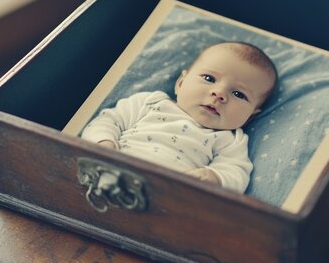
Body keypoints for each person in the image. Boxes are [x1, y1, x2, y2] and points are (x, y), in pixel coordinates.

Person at [81, 41, 277, 193]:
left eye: (238, 94)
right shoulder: (150, 103)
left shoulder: (230, 140)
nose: (219, 94)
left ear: (251, 116)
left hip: (167, 194)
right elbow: (109, 120)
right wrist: (104, 142)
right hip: (113, 166)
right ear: (180, 83)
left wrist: (215, 177)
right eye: (209, 79)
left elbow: (236, 172)